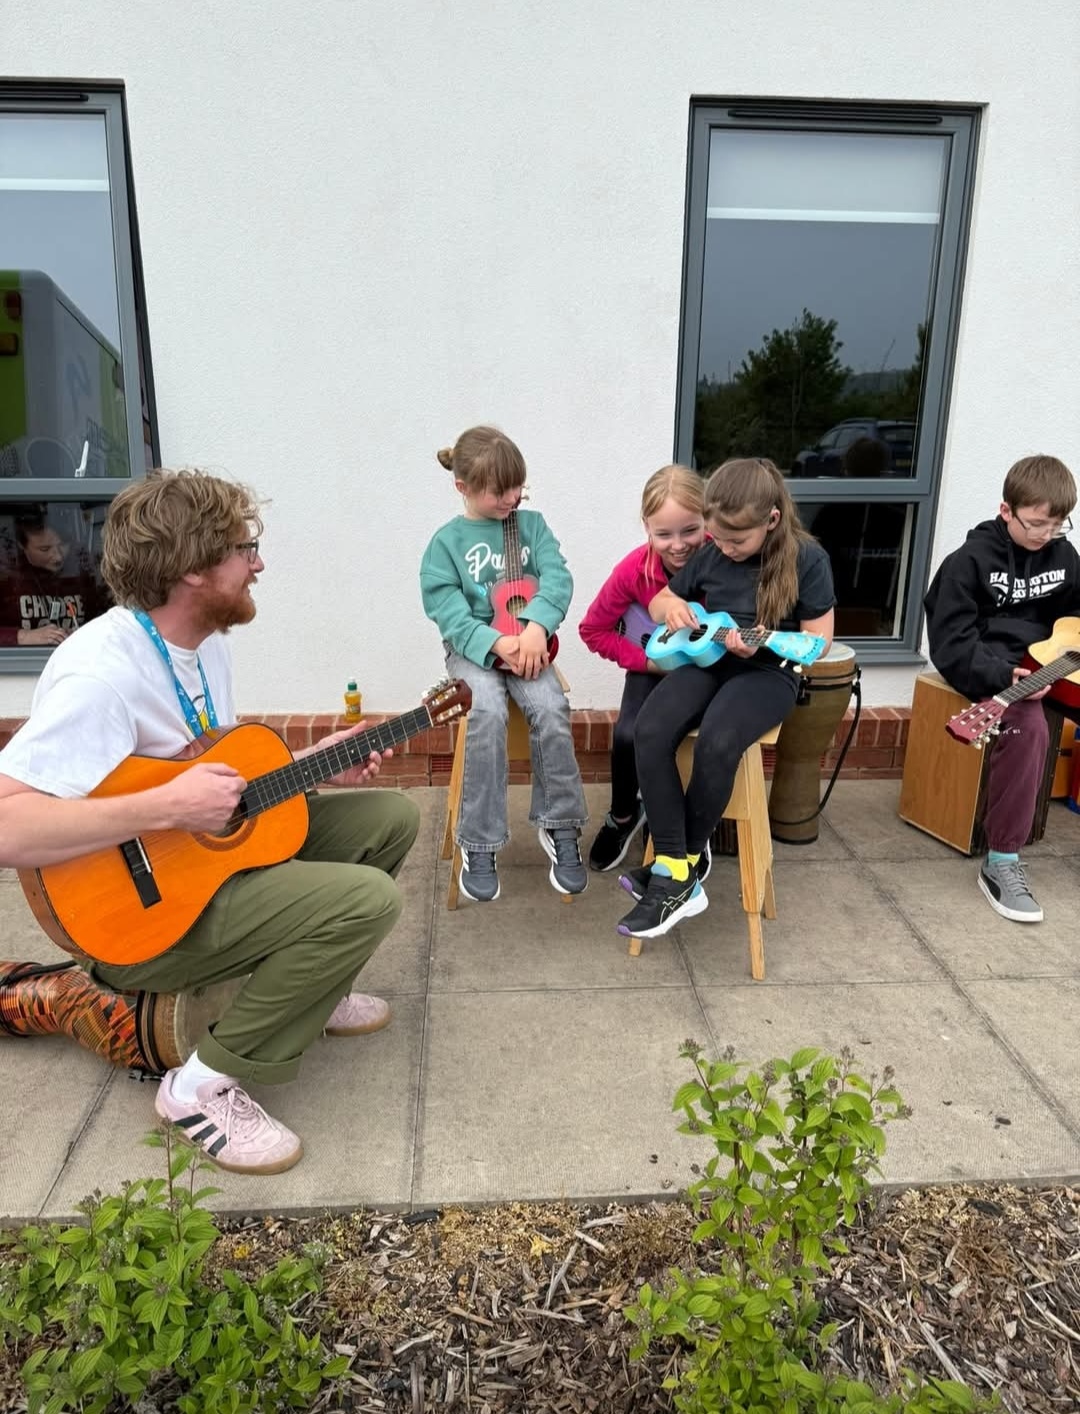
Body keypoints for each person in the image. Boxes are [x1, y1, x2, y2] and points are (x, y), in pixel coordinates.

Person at [0, 469, 420, 1174]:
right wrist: (167, 806)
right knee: (366, 903)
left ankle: (316, 989)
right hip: (134, 922)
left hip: (194, 873)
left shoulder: (205, 643)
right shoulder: (99, 676)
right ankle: (197, 1088)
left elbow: (222, 779)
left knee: (390, 817)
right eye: (242, 548)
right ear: (193, 569)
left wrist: (316, 763)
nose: (258, 563)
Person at [616, 457, 835, 940]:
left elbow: (816, 643)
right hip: (708, 662)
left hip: (767, 675)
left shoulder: (806, 559)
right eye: (719, 537)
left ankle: (680, 869)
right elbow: (659, 601)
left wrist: (767, 640)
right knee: (647, 730)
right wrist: (672, 607)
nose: (726, 549)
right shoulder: (712, 555)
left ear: (771, 519)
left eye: (737, 540)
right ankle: (678, 871)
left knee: (717, 739)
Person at [420, 425, 588, 902]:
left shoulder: (529, 527)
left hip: (530, 644)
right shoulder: (445, 543)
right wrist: (495, 644)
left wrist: (536, 628)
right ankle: (479, 842)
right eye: (500, 491)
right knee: (487, 713)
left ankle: (561, 825)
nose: (513, 496)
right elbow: (446, 608)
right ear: (463, 489)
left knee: (552, 710)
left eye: (518, 485)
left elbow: (557, 576)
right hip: (475, 651)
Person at [924, 454, 1080, 924]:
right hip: (992, 668)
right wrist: (1000, 675)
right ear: (1005, 510)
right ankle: (1002, 862)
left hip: (1052, 665)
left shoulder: (1064, 555)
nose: (1044, 535)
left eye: (1055, 525)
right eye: (1034, 524)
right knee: (1029, 728)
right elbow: (950, 643)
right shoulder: (967, 563)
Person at [578, 465, 706, 871]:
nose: (679, 545)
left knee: (692, 737)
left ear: (708, 521)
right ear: (646, 528)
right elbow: (592, 629)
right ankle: (624, 815)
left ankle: (681, 822)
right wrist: (647, 661)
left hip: (708, 672)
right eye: (663, 534)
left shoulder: (724, 560)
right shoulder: (635, 570)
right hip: (653, 667)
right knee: (628, 734)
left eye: (690, 530)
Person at [0, 508, 111, 647]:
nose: (58, 556)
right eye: (45, 549)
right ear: (22, 546)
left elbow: (105, 619)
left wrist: (84, 632)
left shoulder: (81, 569)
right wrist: (23, 636)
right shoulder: (7, 578)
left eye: (63, 545)